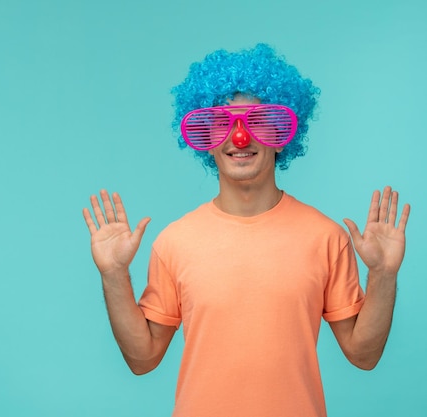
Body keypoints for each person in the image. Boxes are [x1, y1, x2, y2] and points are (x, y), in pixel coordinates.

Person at [82, 44, 410, 417]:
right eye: (223, 122)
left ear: (284, 130)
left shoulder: (326, 237)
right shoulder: (175, 242)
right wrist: (113, 275)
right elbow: (142, 359)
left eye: (259, 119)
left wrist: (383, 274)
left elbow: (363, 355)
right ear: (205, 136)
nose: (240, 137)